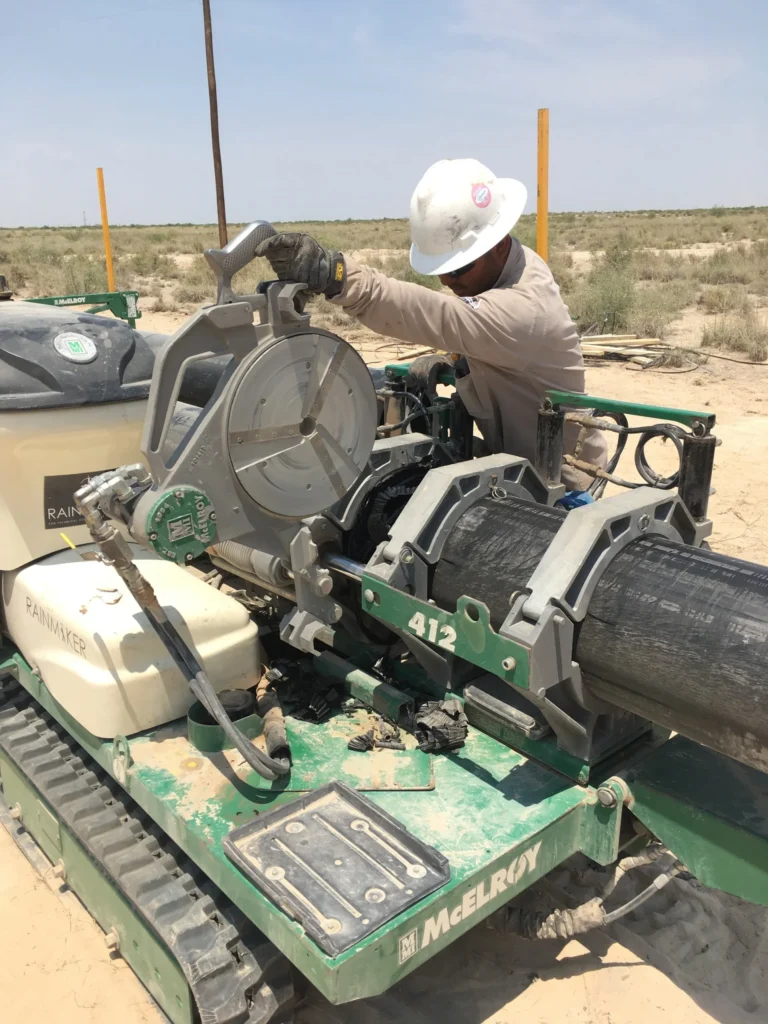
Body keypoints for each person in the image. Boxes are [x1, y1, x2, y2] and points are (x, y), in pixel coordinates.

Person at [255, 158, 607, 491]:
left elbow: (438, 315)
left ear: (499, 244)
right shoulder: (513, 265)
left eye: (457, 268)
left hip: (560, 480)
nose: (447, 282)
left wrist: (338, 278)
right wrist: (462, 364)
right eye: (440, 270)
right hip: (515, 462)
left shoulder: (526, 310)